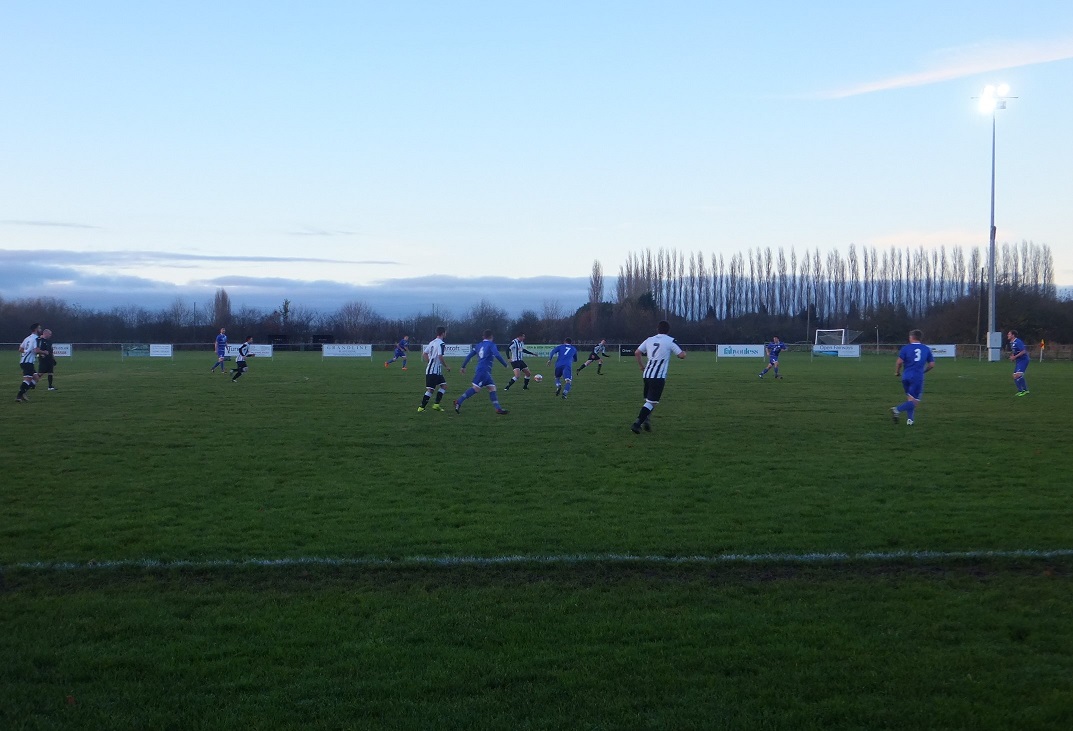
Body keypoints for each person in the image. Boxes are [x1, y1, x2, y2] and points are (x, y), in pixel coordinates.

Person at [631, 320, 687, 434]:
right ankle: (637, 423)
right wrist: (684, 353)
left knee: (650, 400)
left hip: (647, 374)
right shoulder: (670, 340)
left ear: (657, 329)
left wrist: (641, 366)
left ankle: (646, 419)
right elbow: (681, 355)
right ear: (668, 330)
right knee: (651, 402)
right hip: (658, 376)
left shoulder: (649, 339)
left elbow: (637, 352)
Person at [455, 330, 510, 415]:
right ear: (491, 336)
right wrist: (505, 364)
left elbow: (469, 355)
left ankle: (498, 408)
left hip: (484, 371)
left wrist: (463, 366)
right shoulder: (491, 345)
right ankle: (459, 401)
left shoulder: (478, 345)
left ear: (483, 337)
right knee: (476, 389)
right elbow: (497, 354)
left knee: (492, 388)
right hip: (483, 371)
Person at [891, 329, 935, 426]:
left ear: (912, 337)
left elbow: (899, 362)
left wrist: (897, 372)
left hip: (906, 376)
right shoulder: (926, 349)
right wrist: (924, 371)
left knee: (910, 399)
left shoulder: (906, 348)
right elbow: (931, 364)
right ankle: (897, 409)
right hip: (917, 377)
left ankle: (910, 420)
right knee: (915, 402)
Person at [418, 326, 450, 412]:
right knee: (431, 390)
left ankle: (436, 405)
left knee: (444, 386)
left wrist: (430, 361)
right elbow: (440, 356)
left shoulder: (432, 342)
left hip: (436, 371)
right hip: (433, 371)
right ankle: (421, 407)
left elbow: (424, 354)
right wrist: (446, 366)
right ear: (443, 333)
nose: (446, 334)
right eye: (445, 332)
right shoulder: (441, 343)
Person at [16, 323, 44, 403]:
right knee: (28, 379)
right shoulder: (36, 338)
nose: (40, 330)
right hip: (27, 362)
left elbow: (20, 349)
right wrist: (44, 352)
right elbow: (36, 350)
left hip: (25, 361)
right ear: (35, 329)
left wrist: (26, 351)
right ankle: (19, 396)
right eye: (39, 328)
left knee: (36, 378)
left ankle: (23, 393)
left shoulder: (27, 338)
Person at [1007, 330, 1030, 396]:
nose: (1008, 335)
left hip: (1023, 360)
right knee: (1014, 376)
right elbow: (1016, 352)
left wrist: (1015, 357)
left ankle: (1025, 390)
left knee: (1018, 375)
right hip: (1019, 360)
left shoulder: (1018, 342)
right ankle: (1020, 391)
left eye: (1009, 334)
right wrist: (1013, 357)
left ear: (1013, 335)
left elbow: (1023, 351)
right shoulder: (1012, 343)